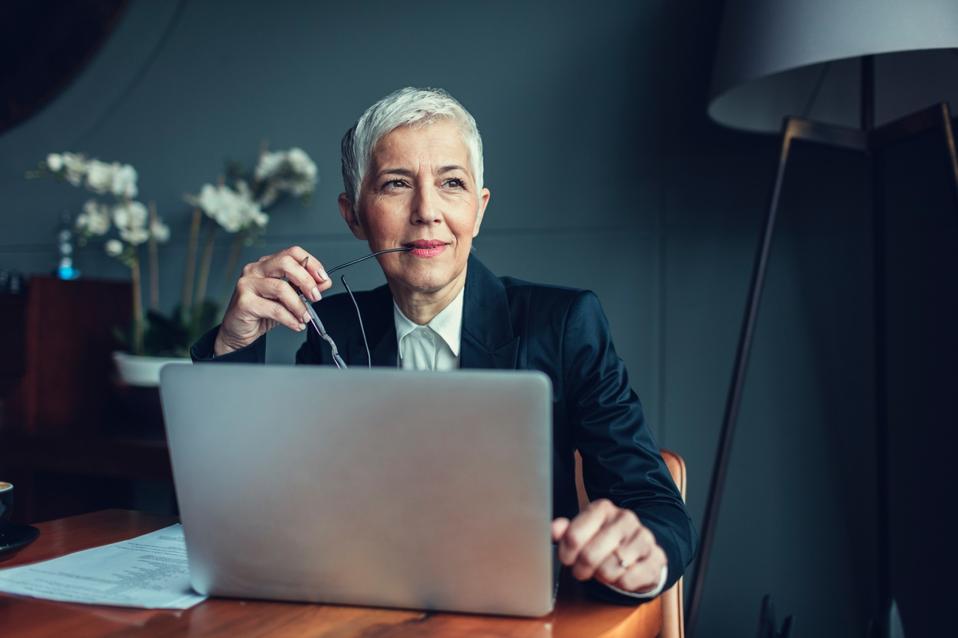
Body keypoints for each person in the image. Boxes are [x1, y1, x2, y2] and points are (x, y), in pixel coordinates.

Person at [191, 87, 696, 603]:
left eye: (451, 183)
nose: (426, 211)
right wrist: (236, 342)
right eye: (395, 184)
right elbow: (245, 509)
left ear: (478, 211)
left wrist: (640, 558)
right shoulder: (332, 328)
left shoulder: (564, 324)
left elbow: (656, 508)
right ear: (354, 215)